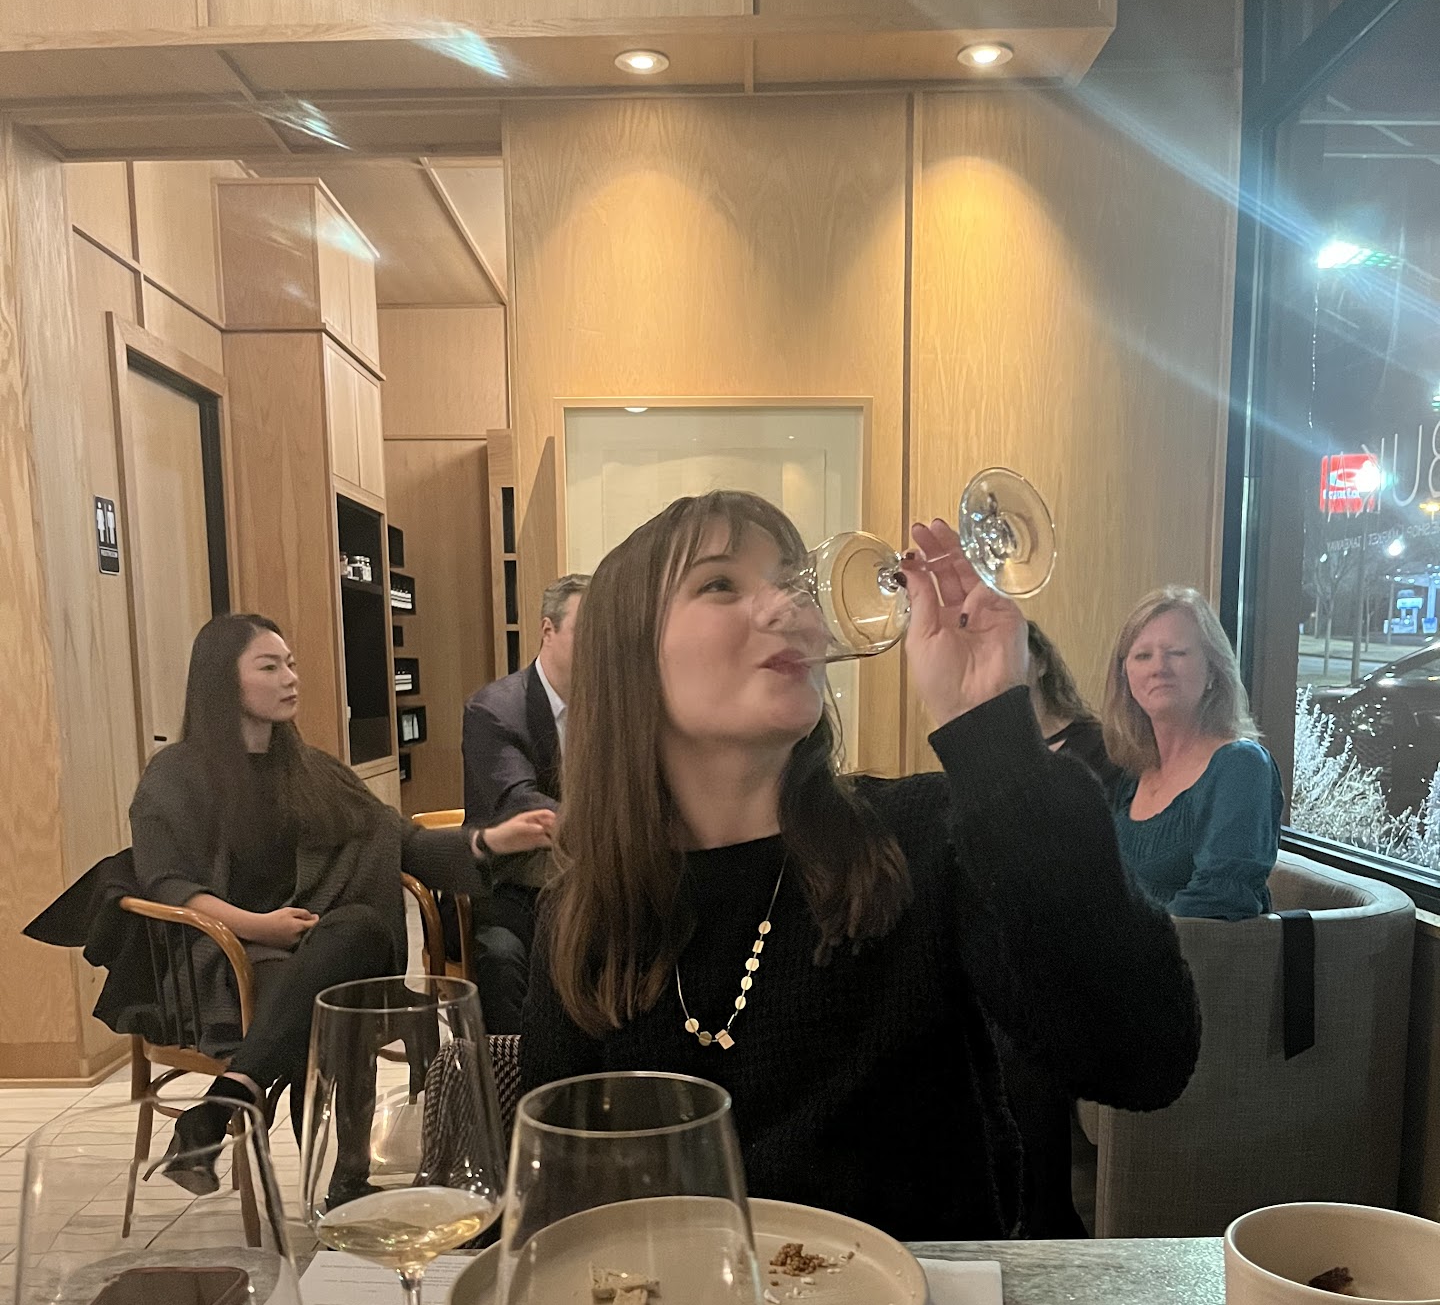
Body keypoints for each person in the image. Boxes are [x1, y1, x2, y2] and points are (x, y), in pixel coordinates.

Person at [520, 490, 1200, 1241]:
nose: (788, 606)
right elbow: (559, 1205)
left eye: (792, 581)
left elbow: (1144, 1058)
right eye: (720, 583)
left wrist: (994, 742)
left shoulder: (919, 839)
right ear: (627, 658)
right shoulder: (590, 912)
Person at [129, 613, 549, 1183]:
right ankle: (346, 1181)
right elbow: (168, 884)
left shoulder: (312, 772)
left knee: (359, 934)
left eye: (291, 664)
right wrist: (259, 926)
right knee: (339, 998)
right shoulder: (175, 774)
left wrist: (491, 841)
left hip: (323, 947)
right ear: (222, 680)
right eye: (269, 667)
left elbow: (405, 842)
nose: (290, 678)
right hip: (228, 958)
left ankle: (225, 1102)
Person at [1104, 587, 1283, 921]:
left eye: (1177, 652)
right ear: (1125, 677)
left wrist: (1119, 941)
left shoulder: (1241, 765)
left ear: (1213, 669)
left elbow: (1220, 900)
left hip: (1192, 953)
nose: (1159, 667)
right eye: (1143, 656)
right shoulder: (1133, 774)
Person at [459, 574, 589, 1030]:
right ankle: (515, 1068)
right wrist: (609, 827)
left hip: (588, 877)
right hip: (514, 878)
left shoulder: (611, 705)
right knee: (503, 956)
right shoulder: (494, 710)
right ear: (548, 629)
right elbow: (521, 802)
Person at [1026, 620, 1121, 794]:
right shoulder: (988, 751)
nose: (1001, 669)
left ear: (1041, 664)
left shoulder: (1098, 745)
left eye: (1011, 655)